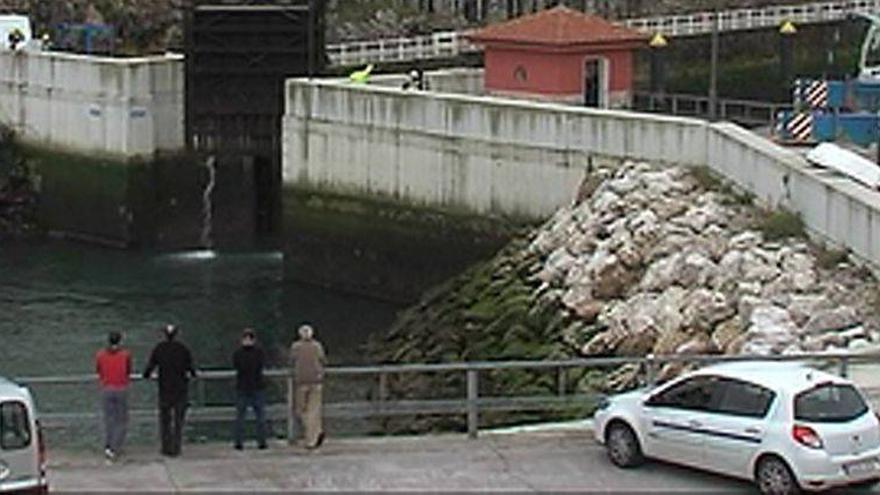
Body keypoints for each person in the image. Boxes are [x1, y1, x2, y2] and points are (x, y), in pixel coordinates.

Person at [142, 324, 197, 457]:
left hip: (165, 389)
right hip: (180, 389)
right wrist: (193, 374)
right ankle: (176, 447)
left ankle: (166, 447)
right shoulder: (183, 349)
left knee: (165, 420)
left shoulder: (159, 349)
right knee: (178, 421)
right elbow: (191, 368)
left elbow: (150, 366)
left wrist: (146, 375)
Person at [95, 331, 131, 461]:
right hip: (121, 387)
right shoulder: (125, 355)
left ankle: (109, 445)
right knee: (121, 420)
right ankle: (117, 446)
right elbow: (128, 370)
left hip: (106, 388)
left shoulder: (100, 355)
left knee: (109, 419)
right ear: (120, 341)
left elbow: (98, 370)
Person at [290, 324, 326, 449]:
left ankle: (311, 438)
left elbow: (292, 360)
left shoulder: (296, 347)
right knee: (314, 410)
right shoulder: (317, 346)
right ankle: (316, 433)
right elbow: (323, 359)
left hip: (301, 382)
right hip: (316, 381)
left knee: (301, 410)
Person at [232, 328, 267, 450]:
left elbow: (236, 366)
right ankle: (260, 441)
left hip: (243, 386)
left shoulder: (238, 353)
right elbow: (261, 366)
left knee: (242, 416)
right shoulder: (259, 353)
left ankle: (240, 441)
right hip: (256, 386)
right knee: (258, 416)